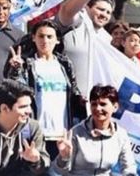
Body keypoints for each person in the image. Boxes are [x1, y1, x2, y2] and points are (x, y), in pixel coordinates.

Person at [5, 20, 84, 160]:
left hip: (62, 134)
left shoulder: (64, 64)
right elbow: (16, 91)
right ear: (34, 38)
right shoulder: (28, 64)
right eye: (41, 36)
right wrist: (16, 69)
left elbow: (73, 92)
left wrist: (82, 100)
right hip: (36, 133)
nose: (45, 41)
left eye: (49, 37)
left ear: (57, 40)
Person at [56, 0, 115, 97]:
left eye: (108, 12)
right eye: (100, 9)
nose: (104, 15)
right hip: (64, 98)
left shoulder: (107, 38)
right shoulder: (76, 22)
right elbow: (66, 10)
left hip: (92, 105)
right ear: (87, 8)